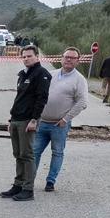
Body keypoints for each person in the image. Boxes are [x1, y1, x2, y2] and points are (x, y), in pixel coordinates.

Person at [0, 45, 51, 202]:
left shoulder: (42, 74)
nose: (26, 58)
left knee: (27, 155)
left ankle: (28, 189)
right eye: (24, 56)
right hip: (16, 119)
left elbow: (41, 99)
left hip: (28, 120)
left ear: (37, 56)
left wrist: (34, 119)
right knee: (18, 154)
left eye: (29, 56)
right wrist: (11, 118)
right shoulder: (23, 74)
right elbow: (19, 98)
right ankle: (18, 184)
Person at [32, 48, 88, 192]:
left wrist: (66, 119)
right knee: (34, 152)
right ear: (61, 58)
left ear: (77, 61)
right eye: (66, 57)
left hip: (59, 124)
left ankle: (50, 181)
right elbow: (39, 95)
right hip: (42, 122)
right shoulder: (51, 75)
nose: (68, 60)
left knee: (57, 152)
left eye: (72, 58)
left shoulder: (79, 79)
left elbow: (82, 102)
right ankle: (29, 179)